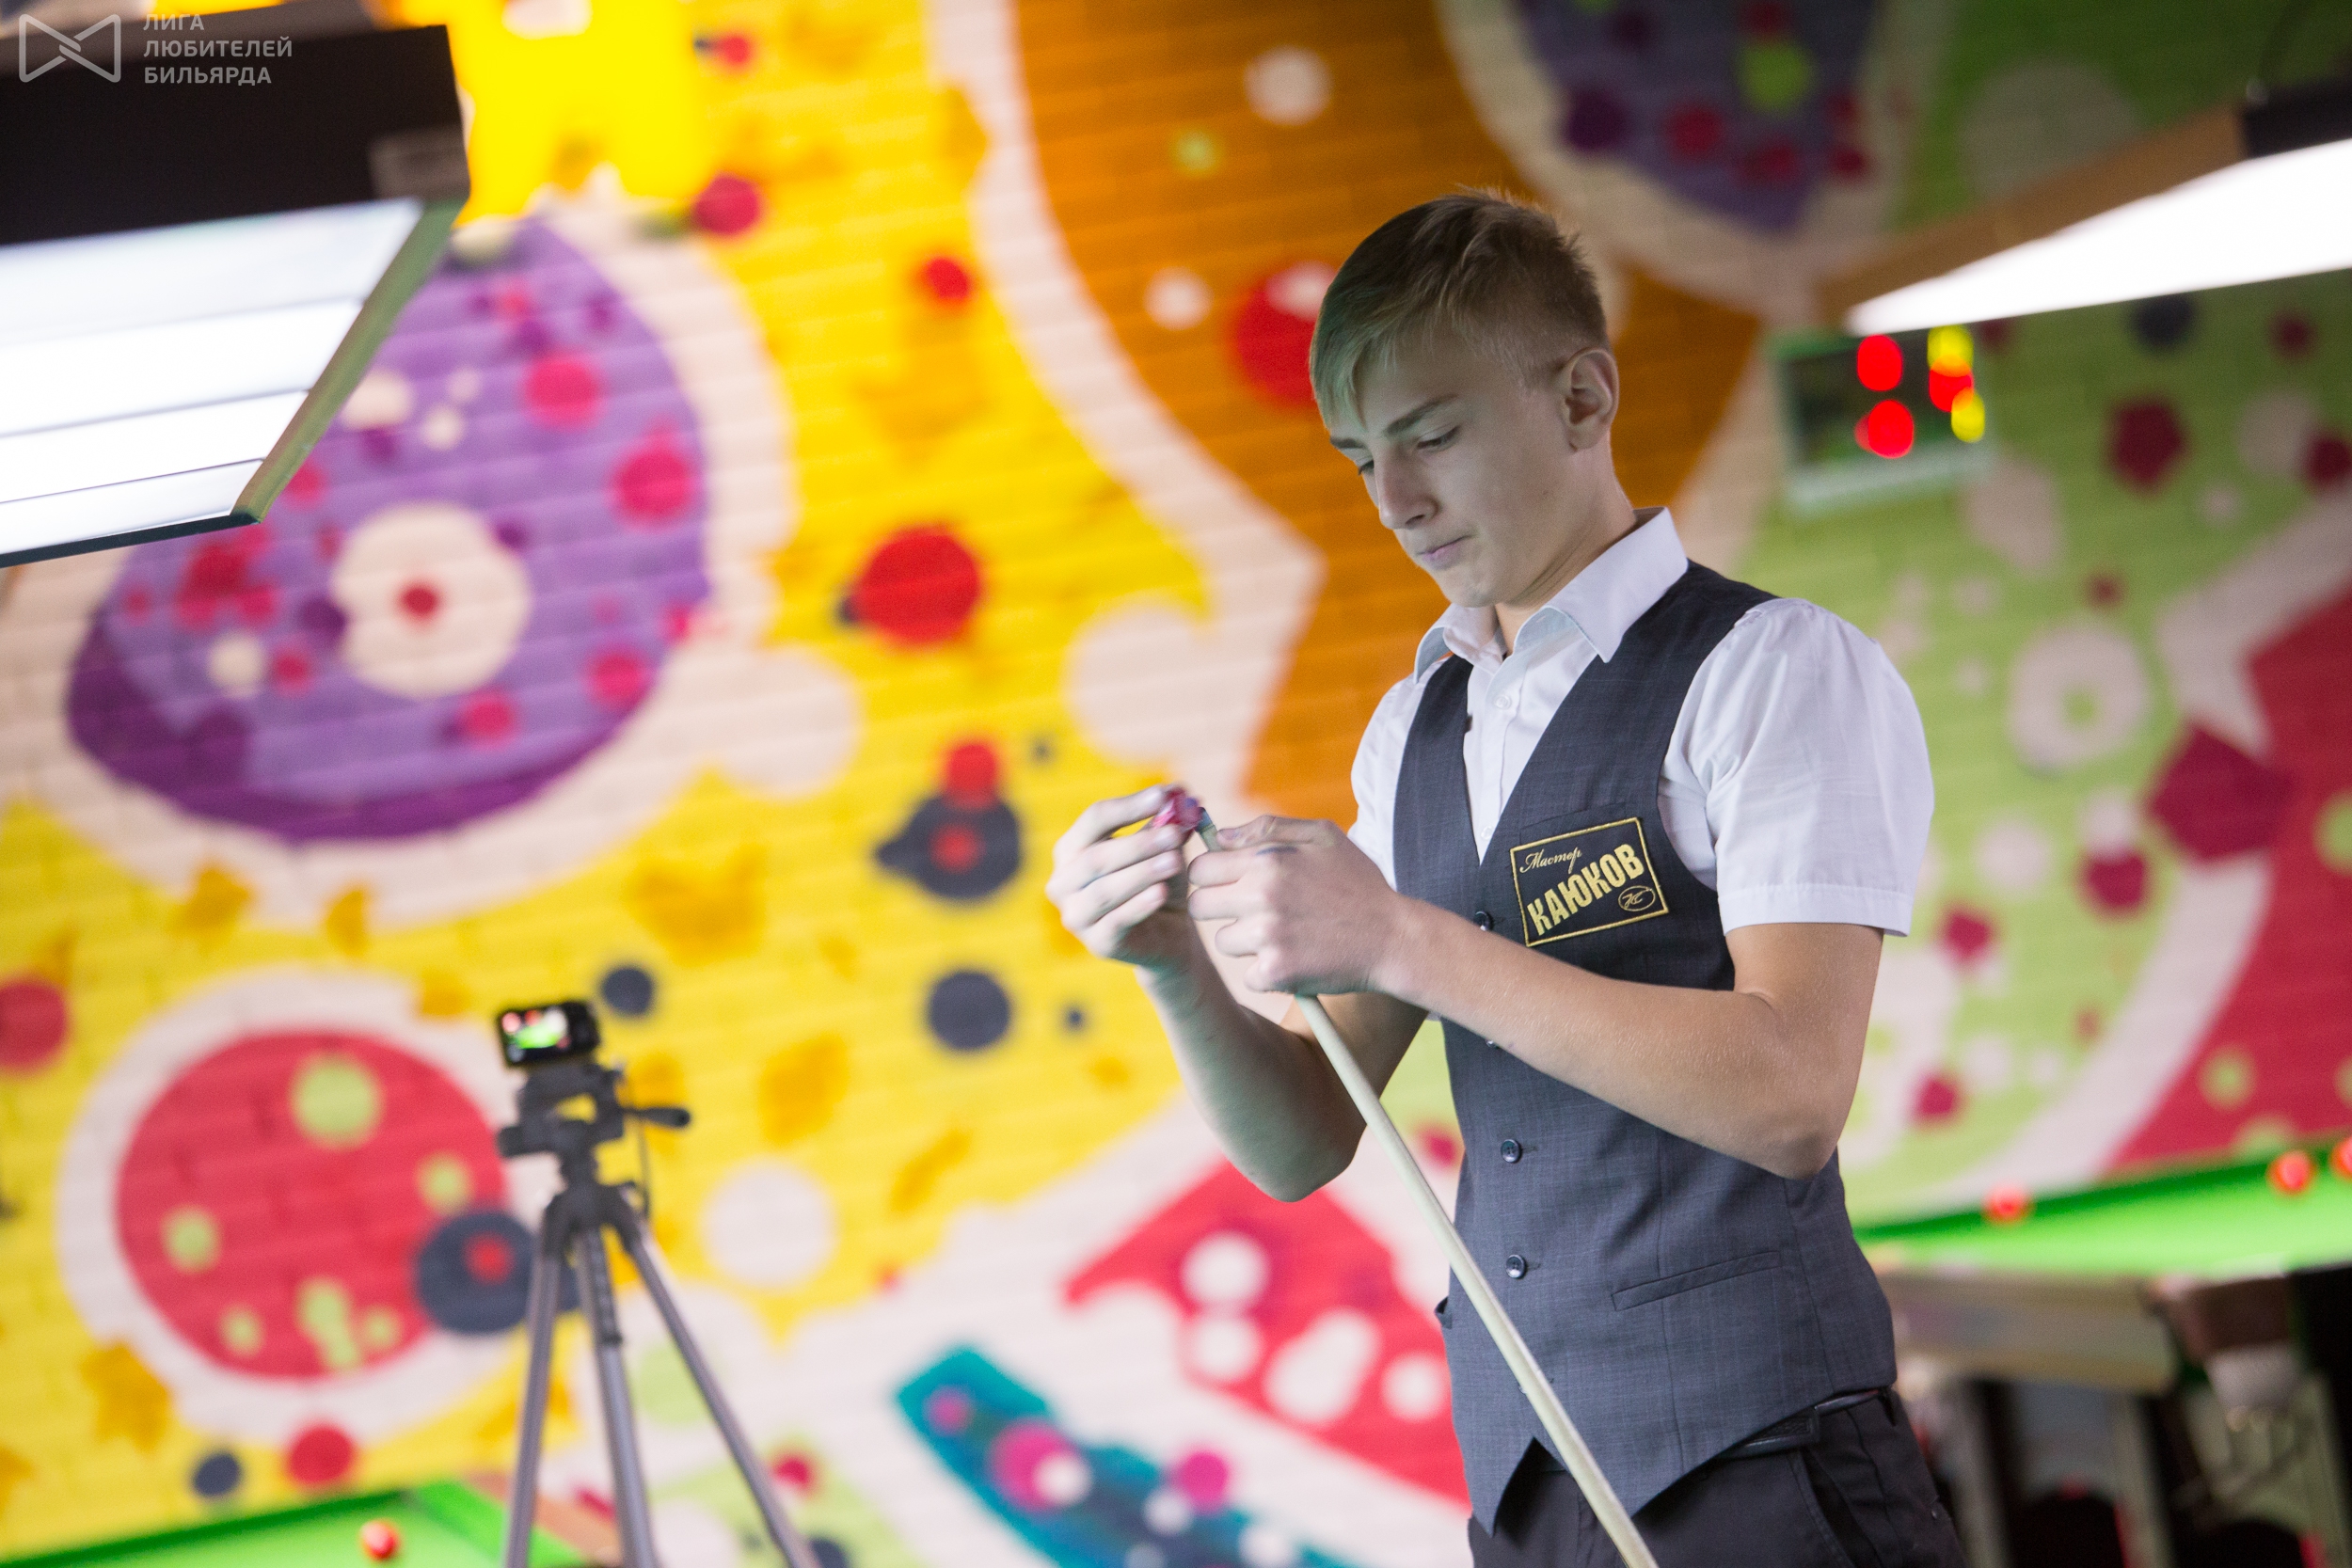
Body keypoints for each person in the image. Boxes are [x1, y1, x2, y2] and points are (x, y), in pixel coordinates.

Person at [1045, 192, 1963, 1568]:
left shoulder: (1774, 669)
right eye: (1362, 458)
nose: (1395, 501)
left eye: (1432, 436)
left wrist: (1399, 938)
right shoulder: (1415, 728)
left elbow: (1789, 1098)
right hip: (1533, 1484)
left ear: (1583, 398)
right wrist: (1172, 963)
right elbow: (1303, 1142)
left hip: (1761, 1461)